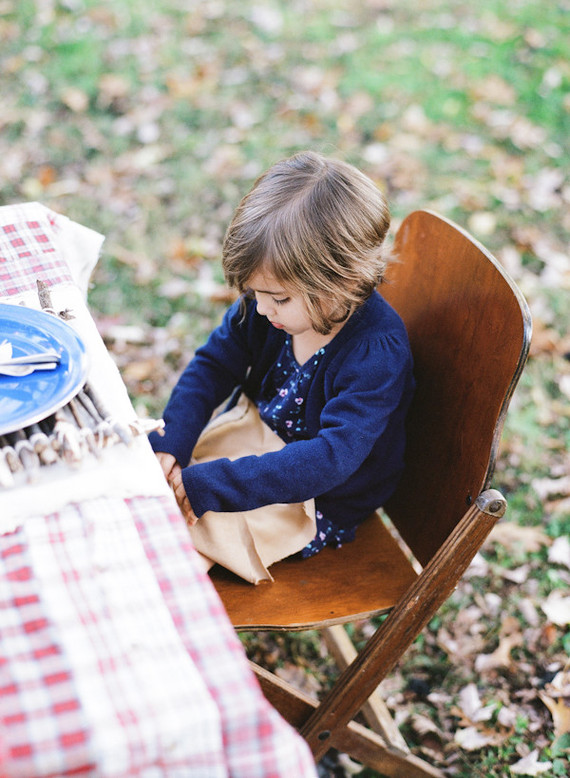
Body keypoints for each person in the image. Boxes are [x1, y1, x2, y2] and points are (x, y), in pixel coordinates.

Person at [148, 150, 415, 558]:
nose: (260, 309)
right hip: (253, 445)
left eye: (278, 298)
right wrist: (173, 438)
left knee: (178, 541)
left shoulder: (376, 353)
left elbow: (330, 459)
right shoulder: (269, 308)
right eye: (256, 294)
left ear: (341, 282)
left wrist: (213, 485)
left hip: (316, 499)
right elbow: (214, 364)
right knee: (150, 489)